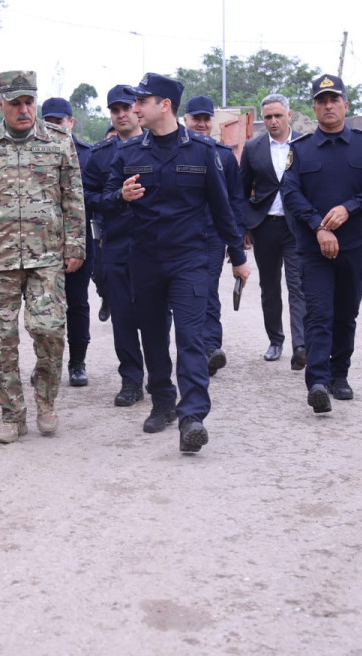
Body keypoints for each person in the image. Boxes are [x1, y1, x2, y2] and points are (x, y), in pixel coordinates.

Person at [103, 73, 250, 454]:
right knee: (153, 336)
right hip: (145, 260)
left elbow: (222, 209)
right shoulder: (128, 153)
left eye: (142, 101)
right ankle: (163, 402)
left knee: (190, 338)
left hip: (190, 261)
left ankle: (193, 417)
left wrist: (238, 257)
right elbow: (101, 201)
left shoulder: (202, 152)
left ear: (164, 105)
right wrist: (120, 196)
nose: (135, 108)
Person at [0, 70, 85, 444]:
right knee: (2, 339)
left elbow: (73, 197)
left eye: (29, 102)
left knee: (49, 330)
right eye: (16, 104)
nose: (24, 109)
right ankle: (12, 415)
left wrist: (76, 245)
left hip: (47, 257)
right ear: (2, 105)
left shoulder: (59, 141)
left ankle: (46, 403)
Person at [280, 74, 362, 414]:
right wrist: (318, 226)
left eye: (334, 100)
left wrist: (350, 207)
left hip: (352, 246)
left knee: (345, 313)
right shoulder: (300, 150)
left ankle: (339, 375)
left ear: (345, 105)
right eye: (321, 101)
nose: (328, 106)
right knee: (318, 313)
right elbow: (290, 193)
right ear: (314, 108)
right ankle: (317, 381)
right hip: (314, 248)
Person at [83, 84, 146, 407]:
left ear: (138, 109)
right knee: (122, 316)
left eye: (126, 108)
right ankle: (131, 379)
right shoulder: (99, 155)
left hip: (154, 244)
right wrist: (117, 198)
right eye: (115, 110)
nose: (121, 115)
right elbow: (86, 196)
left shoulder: (157, 145)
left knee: (155, 315)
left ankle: (159, 375)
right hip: (116, 243)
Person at [241, 93, 308, 369]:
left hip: (296, 228)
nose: (273, 121)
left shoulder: (305, 144)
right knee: (269, 287)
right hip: (265, 226)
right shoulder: (252, 148)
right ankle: (275, 341)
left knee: (298, 285)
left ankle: (301, 345)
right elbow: (241, 190)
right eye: (268, 117)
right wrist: (244, 226)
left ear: (288, 115)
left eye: (278, 115)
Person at [182, 94, 246, 376]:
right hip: (178, 238)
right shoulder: (174, 151)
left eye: (206, 119)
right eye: (196, 118)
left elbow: (235, 202)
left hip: (211, 237)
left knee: (207, 292)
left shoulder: (224, 156)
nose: (201, 123)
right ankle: (190, 348)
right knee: (181, 296)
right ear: (185, 120)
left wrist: (236, 242)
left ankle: (210, 349)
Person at [40, 96, 94, 388]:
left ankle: (77, 362)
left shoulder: (87, 155)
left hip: (78, 240)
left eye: (59, 122)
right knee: (42, 305)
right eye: (48, 122)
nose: (54, 128)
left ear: (70, 122)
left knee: (77, 303)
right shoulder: (33, 154)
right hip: (42, 243)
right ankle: (45, 363)